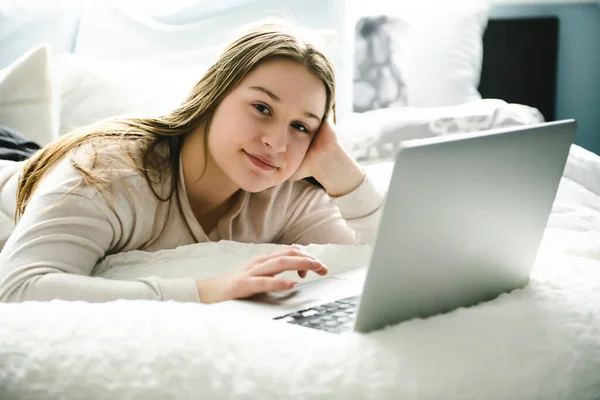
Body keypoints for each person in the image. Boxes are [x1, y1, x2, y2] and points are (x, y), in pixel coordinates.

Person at [0, 20, 383, 304]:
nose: (276, 142)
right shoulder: (106, 171)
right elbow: (17, 287)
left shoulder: (284, 193)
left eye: (301, 126)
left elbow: (387, 258)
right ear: (214, 95)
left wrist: (343, 174)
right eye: (262, 107)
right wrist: (208, 290)